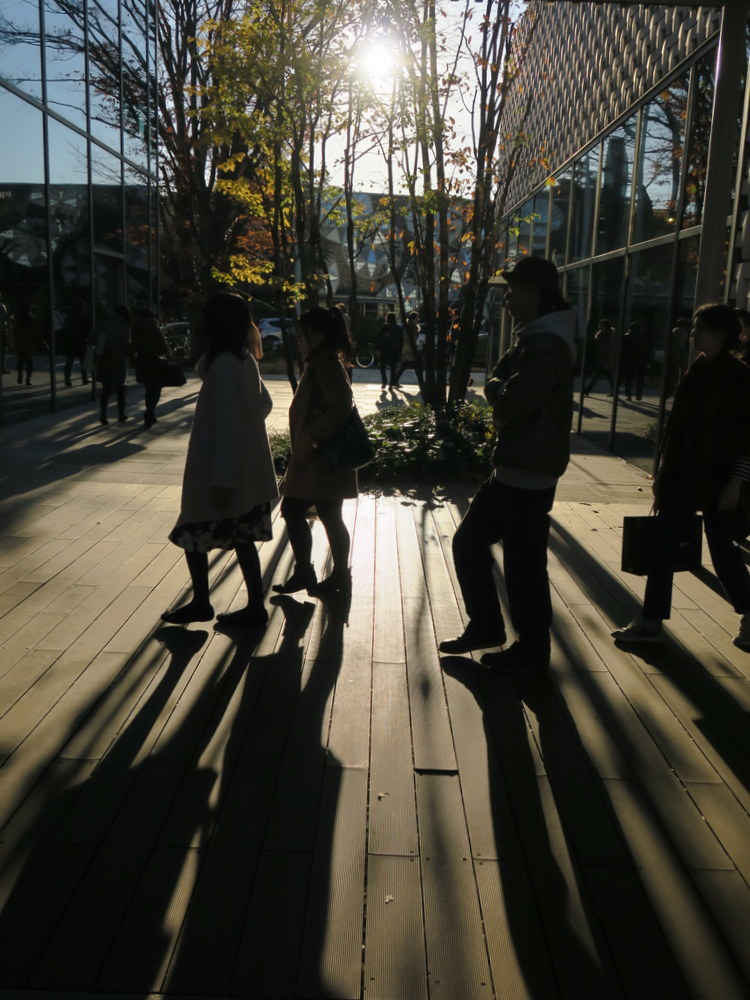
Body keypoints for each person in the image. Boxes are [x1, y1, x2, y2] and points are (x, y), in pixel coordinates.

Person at [439, 256, 576, 671]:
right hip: (517, 469)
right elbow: (498, 382)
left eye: (513, 291)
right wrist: (501, 390)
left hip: (528, 473)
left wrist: (499, 392)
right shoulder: (533, 338)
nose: (508, 300)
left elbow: (510, 400)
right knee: (486, 550)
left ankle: (529, 649)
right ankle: (491, 629)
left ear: (534, 290)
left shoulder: (546, 344)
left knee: (521, 567)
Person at [612, 303, 750, 651]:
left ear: (719, 333)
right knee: (663, 544)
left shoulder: (740, 378)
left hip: (720, 477)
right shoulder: (696, 372)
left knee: (723, 551)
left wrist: (737, 482)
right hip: (685, 475)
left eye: (700, 328)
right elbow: (677, 431)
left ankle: (749, 611)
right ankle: (651, 620)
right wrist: (662, 472)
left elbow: (748, 438)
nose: (693, 334)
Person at [162, 293, 278, 626]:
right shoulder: (241, 361)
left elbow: (226, 427)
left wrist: (224, 477)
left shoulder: (225, 366)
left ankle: (202, 602)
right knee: (242, 539)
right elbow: (264, 405)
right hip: (243, 472)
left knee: (193, 531)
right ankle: (253, 606)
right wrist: (249, 429)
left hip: (222, 475)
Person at [272, 306, 356, 595]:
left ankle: (320, 574)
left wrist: (310, 438)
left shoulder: (325, 365)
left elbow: (341, 407)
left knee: (298, 509)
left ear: (317, 335)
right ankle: (326, 575)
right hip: (318, 457)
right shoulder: (321, 362)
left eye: (302, 333)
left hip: (320, 457)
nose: (299, 339)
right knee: (324, 513)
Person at [131, 306, 172, 427]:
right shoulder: (154, 329)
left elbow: (132, 346)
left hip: (142, 361)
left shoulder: (136, 329)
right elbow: (163, 347)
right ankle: (150, 411)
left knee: (148, 388)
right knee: (156, 389)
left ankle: (150, 412)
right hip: (155, 361)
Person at [94, 305, 132, 424]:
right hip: (119, 361)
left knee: (106, 389)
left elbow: (92, 336)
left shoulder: (105, 324)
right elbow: (127, 345)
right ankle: (121, 414)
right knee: (120, 389)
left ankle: (103, 415)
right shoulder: (125, 327)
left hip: (105, 359)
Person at [62, 298, 91, 386]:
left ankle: (67, 379)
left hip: (72, 342)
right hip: (81, 341)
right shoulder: (83, 317)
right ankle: (84, 378)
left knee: (70, 361)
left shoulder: (70, 316)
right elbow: (87, 329)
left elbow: (66, 329)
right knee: (83, 362)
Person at [9, 303, 38, 386]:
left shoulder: (16, 318)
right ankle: (28, 379)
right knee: (29, 362)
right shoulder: (30, 319)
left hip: (19, 343)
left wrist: (12, 343)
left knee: (20, 361)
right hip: (29, 343)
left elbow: (12, 332)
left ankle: (20, 374)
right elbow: (34, 331)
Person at [583, 319, 614, 395]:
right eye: (600, 325)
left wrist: (608, 360)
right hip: (601, 358)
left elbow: (608, 348)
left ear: (606, 327)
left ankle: (587, 390)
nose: (600, 327)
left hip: (604, 359)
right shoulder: (602, 334)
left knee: (596, 376)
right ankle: (614, 391)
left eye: (601, 325)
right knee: (608, 376)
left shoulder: (608, 335)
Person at [621, 320, 648, 400]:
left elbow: (623, 349)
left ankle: (629, 394)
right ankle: (638, 394)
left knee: (628, 377)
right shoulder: (643, 337)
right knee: (640, 378)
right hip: (640, 359)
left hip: (629, 359)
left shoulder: (626, 336)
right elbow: (648, 347)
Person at [394, 310, 423, 384]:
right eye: (417, 318)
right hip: (409, 351)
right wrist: (407, 353)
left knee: (405, 366)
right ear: (412, 319)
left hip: (410, 350)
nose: (418, 320)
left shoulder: (413, 328)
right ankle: (421, 383)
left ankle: (395, 380)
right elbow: (406, 341)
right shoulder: (409, 328)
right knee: (416, 367)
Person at [376, 311, 403, 389]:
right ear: (394, 318)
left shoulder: (384, 326)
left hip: (385, 348)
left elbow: (380, 338)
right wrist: (400, 351)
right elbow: (401, 340)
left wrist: (378, 348)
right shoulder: (398, 328)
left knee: (382, 365)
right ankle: (391, 384)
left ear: (387, 318)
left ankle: (384, 381)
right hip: (394, 349)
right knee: (393, 367)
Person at [0, 293, 9, 374]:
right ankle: (2, 367)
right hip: (2, 329)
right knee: (3, 349)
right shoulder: (2, 306)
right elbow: (5, 317)